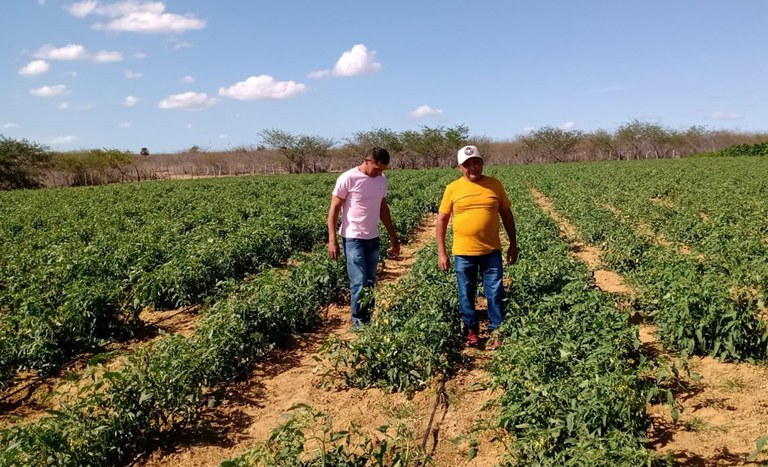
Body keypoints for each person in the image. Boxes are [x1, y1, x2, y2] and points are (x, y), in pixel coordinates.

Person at [436, 145, 518, 350]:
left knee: (495, 292)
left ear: (482, 163)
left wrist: (513, 244)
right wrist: (441, 252)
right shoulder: (452, 188)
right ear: (459, 167)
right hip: (463, 252)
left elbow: (507, 215)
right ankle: (471, 331)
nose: (473, 167)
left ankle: (496, 330)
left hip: (491, 250)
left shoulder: (495, 185)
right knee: (466, 292)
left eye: (476, 162)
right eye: (467, 164)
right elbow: (442, 221)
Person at [328, 147, 400, 329]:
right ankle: (359, 322)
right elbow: (334, 209)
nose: (379, 172)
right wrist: (332, 239)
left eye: (382, 169)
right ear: (366, 160)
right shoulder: (348, 178)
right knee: (359, 281)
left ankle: (366, 318)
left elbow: (383, 208)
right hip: (352, 238)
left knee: (370, 281)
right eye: (376, 168)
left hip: (373, 237)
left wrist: (393, 236)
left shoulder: (381, 180)